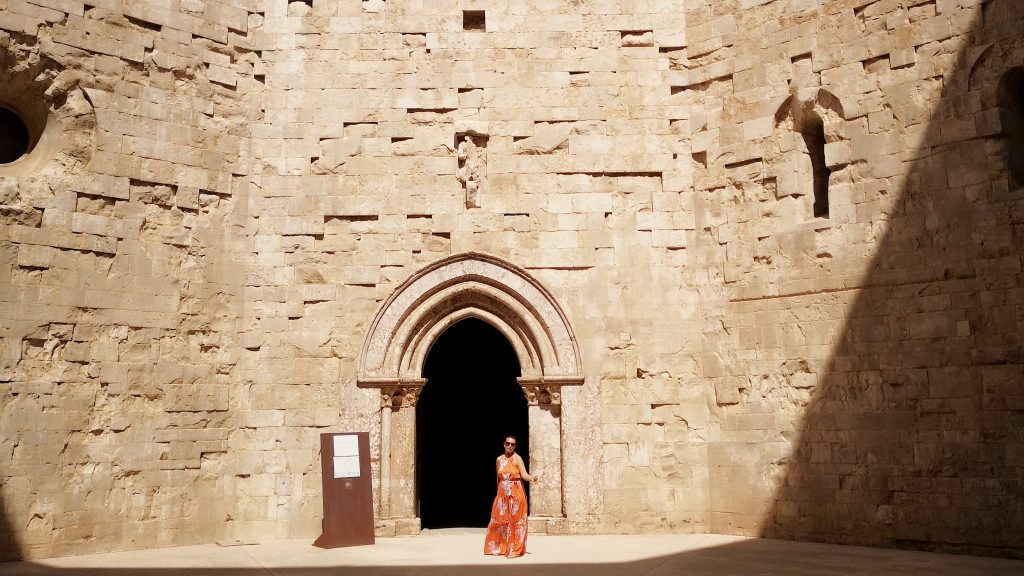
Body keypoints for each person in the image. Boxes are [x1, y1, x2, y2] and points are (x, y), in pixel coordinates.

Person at [483, 435, 541, 558]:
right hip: (502, 494)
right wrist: (498, 495)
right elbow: (498, 478)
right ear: (504, 444)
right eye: (508, 443)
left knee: (517, 522)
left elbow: (524, 474)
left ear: (515, 446)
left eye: (513, 444)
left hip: (516, 493)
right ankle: (501, 547)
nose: (510, 446)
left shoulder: (517, 458)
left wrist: (532, 478)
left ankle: (516, 550)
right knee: (500, 520)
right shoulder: (499, 459)